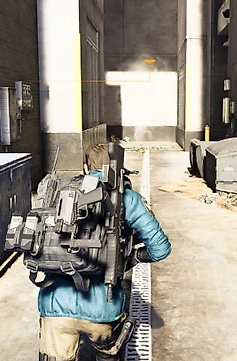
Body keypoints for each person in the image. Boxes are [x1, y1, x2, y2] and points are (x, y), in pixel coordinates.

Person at [37, 143, 172, 361]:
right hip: (103, 309)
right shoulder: (127, 198)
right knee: (107, 353)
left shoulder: (60, 193)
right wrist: (134, 257)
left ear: (85, 167)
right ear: (117, 168)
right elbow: (161, 249)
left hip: (55, 307)